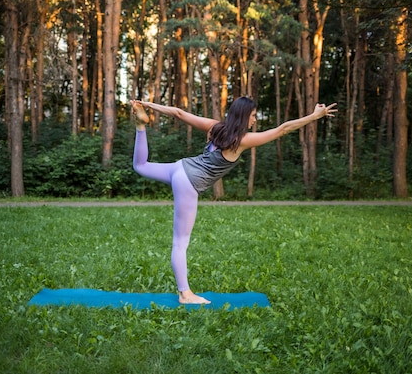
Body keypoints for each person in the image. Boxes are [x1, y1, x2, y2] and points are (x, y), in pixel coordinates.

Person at [130, 96, 337, 304]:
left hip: (179, 168)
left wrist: (148, 106)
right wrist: (313, 116)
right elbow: (282, 129)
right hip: (189, 182)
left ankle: (140, 125)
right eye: (254, 116)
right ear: (244, 116)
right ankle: (185, 294)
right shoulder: (241, 141)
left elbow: (179, 113)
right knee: (180, 243)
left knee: (141, 166)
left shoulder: (215, 127)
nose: (255, 120)